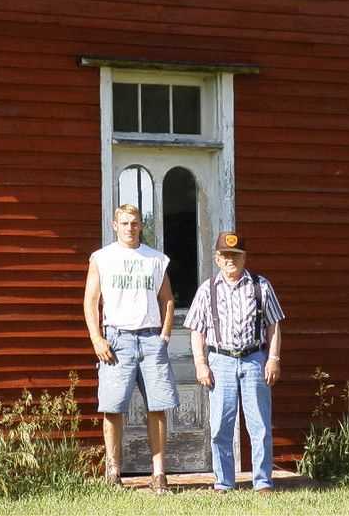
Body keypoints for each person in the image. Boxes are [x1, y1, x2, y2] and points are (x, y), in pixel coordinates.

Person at [83, 204, 178, 495]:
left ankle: (159, 474)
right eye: (124, 223)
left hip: (151, 340)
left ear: (141, 225)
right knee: (112, 408)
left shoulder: (156, 259)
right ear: (114, 225)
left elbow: (168, 300)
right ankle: (113, 473)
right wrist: (97, 339)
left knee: (158, 407)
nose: (130, 228)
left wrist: (164, 335)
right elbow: (90, 301)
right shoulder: (102, 258)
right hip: (117, 340)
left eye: (135, 223)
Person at [183, 231, 284, 493]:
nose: (231, 260)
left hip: (254, 360)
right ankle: (224, 483)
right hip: (221, 362)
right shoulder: (207, 290)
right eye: (226, 255)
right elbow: (197, 330)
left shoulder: (261, 286)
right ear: (217, 259)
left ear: (244, 258)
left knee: (259, 425)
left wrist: (273, 359)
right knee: (220, 427)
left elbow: (273, 326)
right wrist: (200, 363)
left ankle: (262, 482)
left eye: (236, 256)